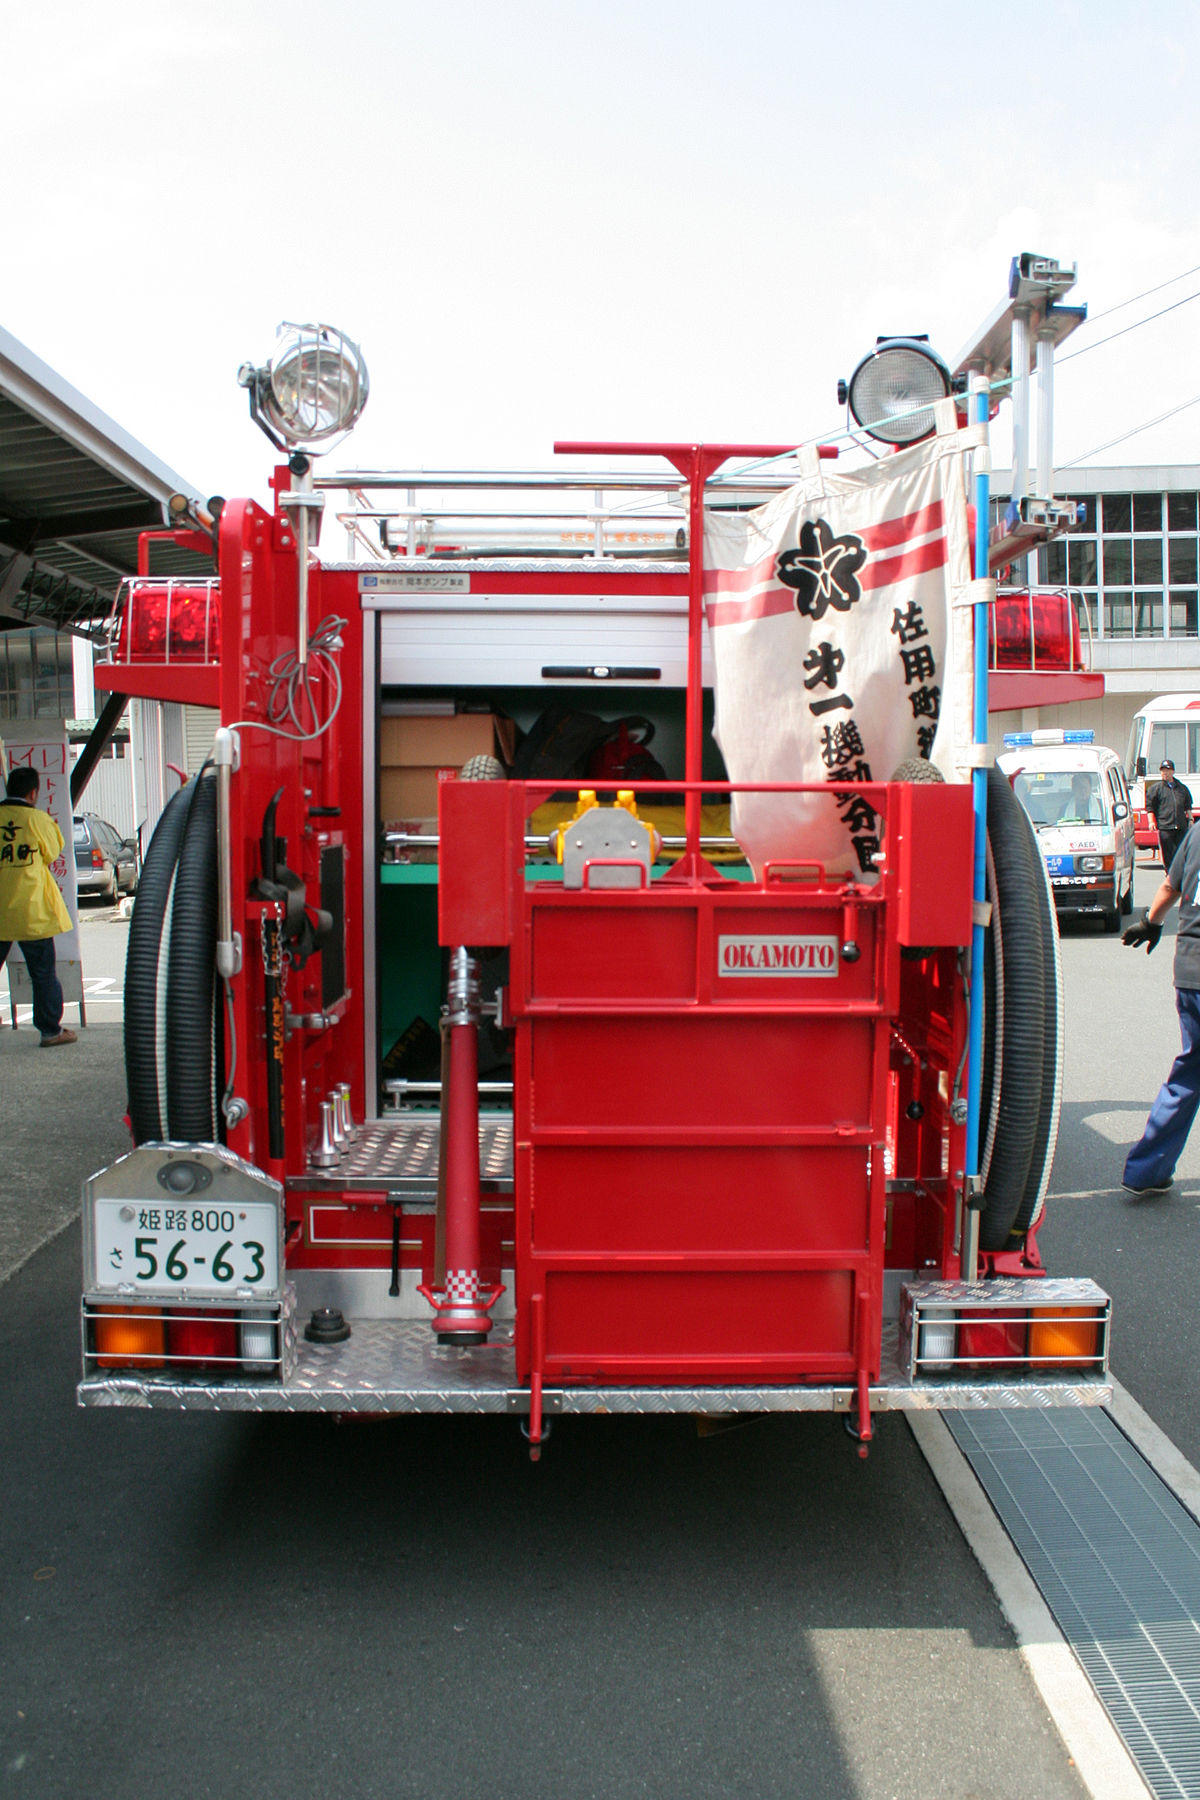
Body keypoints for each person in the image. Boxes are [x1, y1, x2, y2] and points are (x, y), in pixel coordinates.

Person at [1121, 821, 1200, 1192]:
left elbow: (1171, 884)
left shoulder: (1199, 832)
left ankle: (1146, 1171)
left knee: (1190, 1071)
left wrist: (1150, 921)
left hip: (1190, 970)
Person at [0, 767, 77, 1047]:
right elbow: (52, 851)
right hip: (31, 908)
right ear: (33, 793)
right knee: (42, 973)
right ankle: (49, 1031)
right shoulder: (37, 819)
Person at [1146, 758, 1193, 872]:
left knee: (1181, 852)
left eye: (1167, 770)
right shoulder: (1156, 789)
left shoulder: (1182, 788)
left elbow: (1188, 805)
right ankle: (1170, 875)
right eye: (1162, 770)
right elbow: (1150, 807)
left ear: (1173, 771)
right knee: (1168, 853)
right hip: (1165, 827)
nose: (1165, 773)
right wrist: (1151, 822)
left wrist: (1190, 819)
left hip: (1181, 826)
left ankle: (1180, 875)